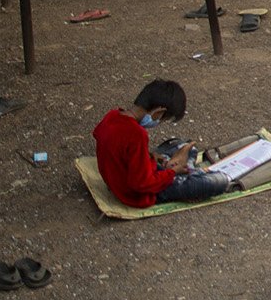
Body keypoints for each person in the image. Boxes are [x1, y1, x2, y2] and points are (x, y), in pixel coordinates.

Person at [93, 79, 231, 208]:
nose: (159, 122)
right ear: (158, 112)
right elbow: (141, 184)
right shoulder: (137, 134)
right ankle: (186, 172)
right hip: (139, 193)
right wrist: (171, 172)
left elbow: (116, 145)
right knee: (221, 180)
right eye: (162, 119)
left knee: (185, 146)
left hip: (123, 176)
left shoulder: (112, 115)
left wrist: (151, 156)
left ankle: (180, 167)